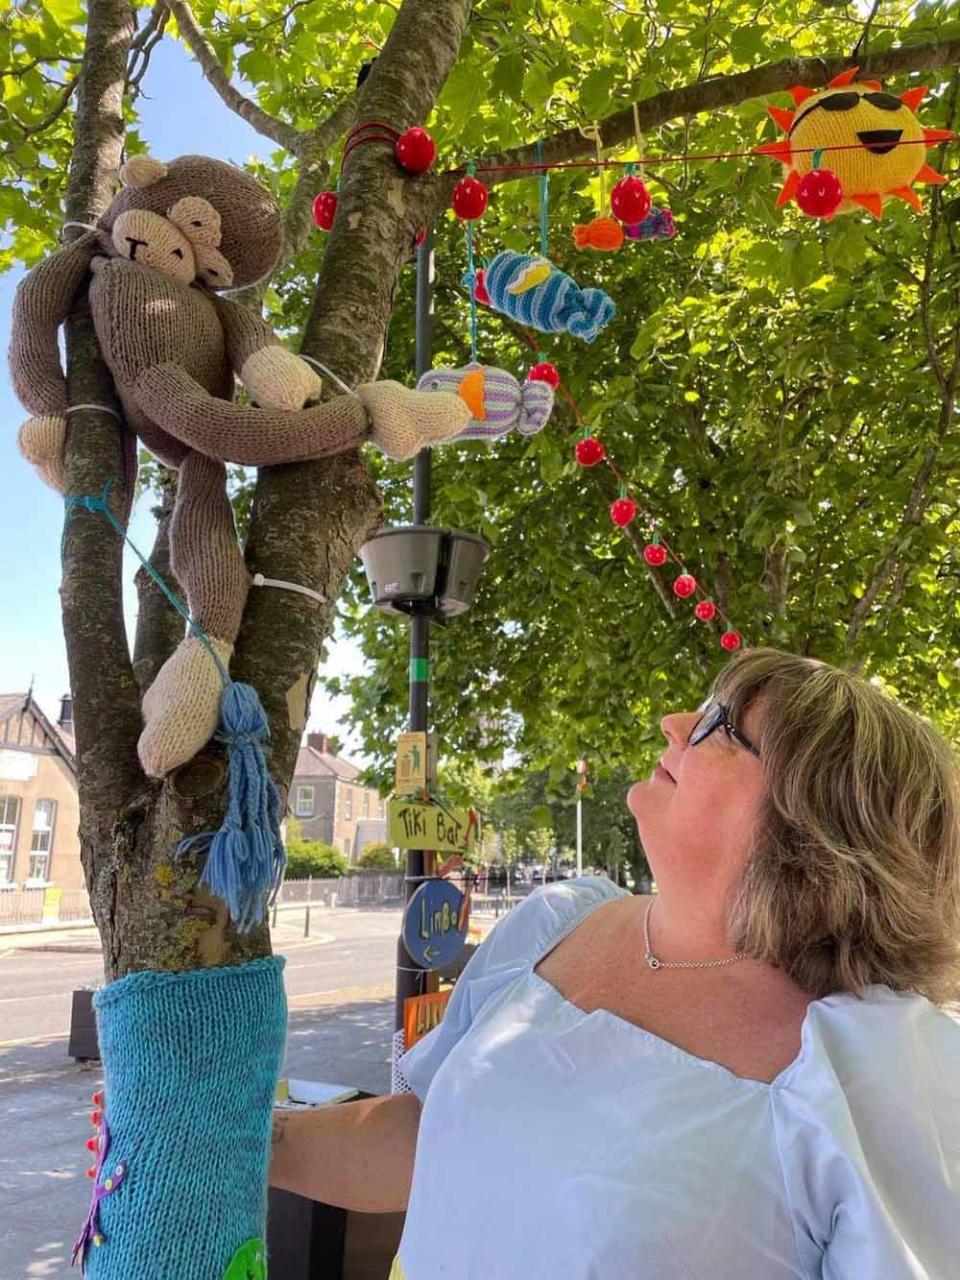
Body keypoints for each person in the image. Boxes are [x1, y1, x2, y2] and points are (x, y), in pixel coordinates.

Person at [270, 648, 960, 1279]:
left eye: (723, 726)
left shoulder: (881, 1069)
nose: (675, 722)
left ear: (817, 823)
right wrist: (239, 1141)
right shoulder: (555, 923)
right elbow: (427, 1137)